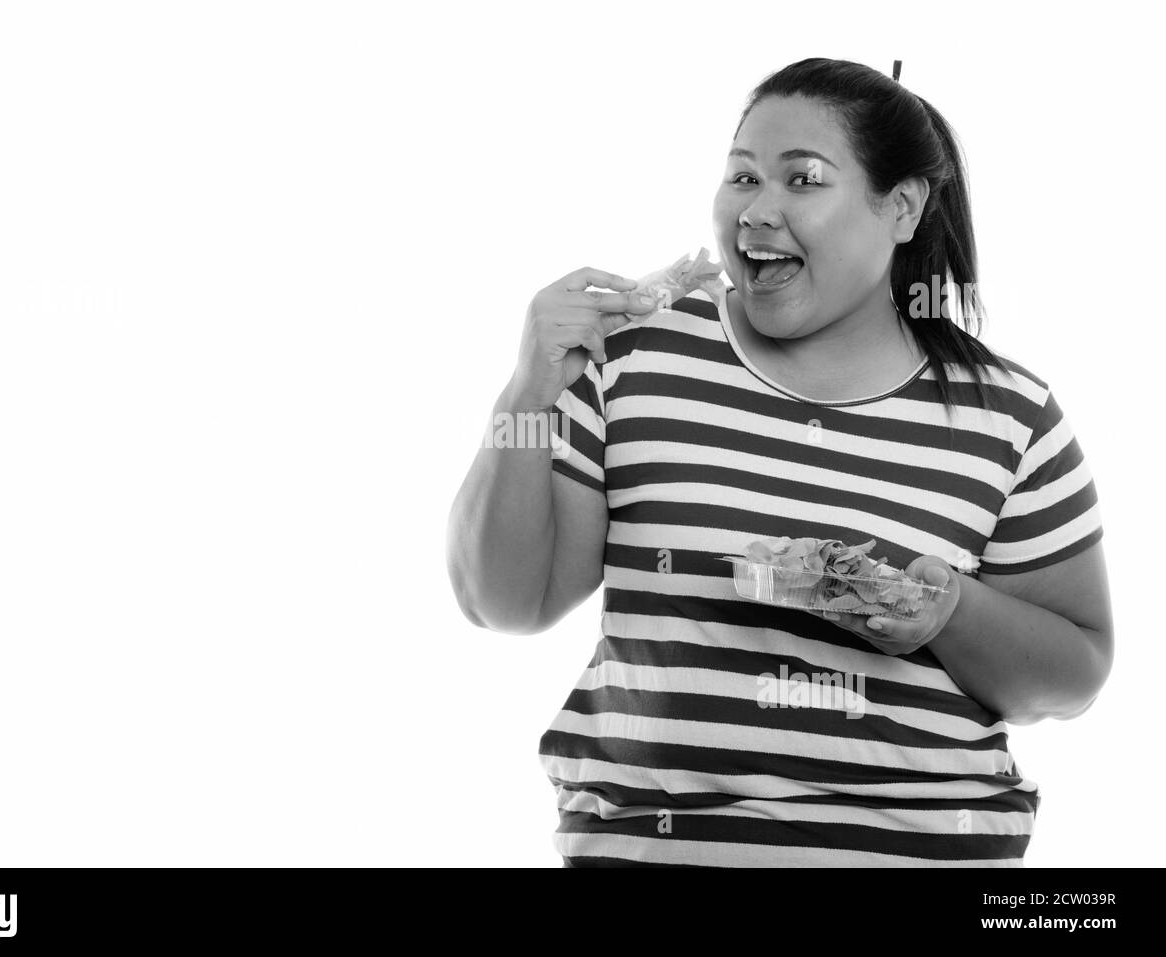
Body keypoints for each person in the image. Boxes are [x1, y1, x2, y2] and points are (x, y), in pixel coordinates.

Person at [445, 57, 1113, 867]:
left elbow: (1073, 675)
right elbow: (504, 603)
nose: (758, 213)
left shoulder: (1009, 415)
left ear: (901, 207)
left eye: (803, 180)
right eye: (742, 177)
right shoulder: (631, 359)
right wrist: (525, 392)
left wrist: (945, 611)